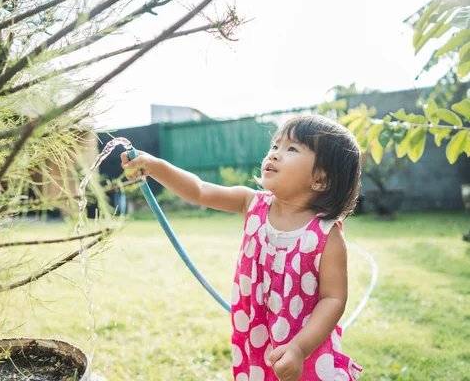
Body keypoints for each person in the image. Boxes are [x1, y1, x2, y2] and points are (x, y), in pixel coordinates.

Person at [120, 115, 363, 381]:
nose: (274, 155)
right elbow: (200, 190)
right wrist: (156, 167)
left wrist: (299, 348)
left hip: (305, 349)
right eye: (274, 146)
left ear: (320, 180)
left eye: (291, 149)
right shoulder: (252, 203)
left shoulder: (325, 234)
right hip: (256, 339)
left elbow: (333, 299)